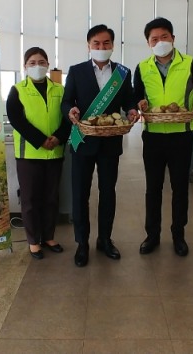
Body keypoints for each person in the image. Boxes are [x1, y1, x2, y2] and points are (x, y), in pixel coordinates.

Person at [62, 24, 139, 267]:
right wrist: (70, 111)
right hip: (83, 140)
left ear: (113, 46)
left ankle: (105, 239)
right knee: (80, 194)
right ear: (88, 45)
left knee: (108, 193)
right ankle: (82, 243)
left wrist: (133, 109)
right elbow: (66, 102)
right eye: (96, 43)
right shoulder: (76, 71)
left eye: (106, 43)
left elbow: (129, 100)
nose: (101, 47)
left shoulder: (122, 74)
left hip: (110, 142)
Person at [133, 17, 193, 257]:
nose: (160, 42)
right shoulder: (142, 67)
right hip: (153, 136)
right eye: (154, 39)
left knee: (180, 189)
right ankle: (152, 235)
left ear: (173, 38)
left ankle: (179, 235)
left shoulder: (190, 64)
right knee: (153, 188)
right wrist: (140, 103)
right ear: (148, 43)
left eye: (164, 37)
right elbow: (137, 96)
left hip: (182, 136)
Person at [6, 47, 71, 259]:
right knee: (31, 199)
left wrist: (58, 138)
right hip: (29, 155)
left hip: (54, 153)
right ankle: (34, 241)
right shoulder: (18, 90)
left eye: (42, 62)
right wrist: (41, 140)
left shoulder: (59, 90)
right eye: (32, 62)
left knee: (52, 198)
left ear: (48, 64)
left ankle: (49, 236)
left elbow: (68, 117)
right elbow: (17, 120)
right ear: (25, 66)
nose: (37, 66)